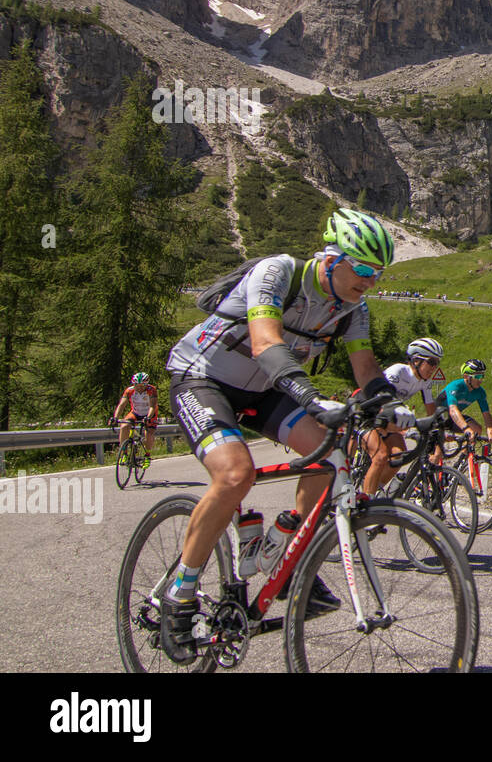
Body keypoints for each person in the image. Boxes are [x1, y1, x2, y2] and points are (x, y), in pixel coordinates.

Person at [159, 208, 413, 663]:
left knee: (330, 453)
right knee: (236, 474)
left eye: (379, 273)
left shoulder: (353, 309)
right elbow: (264, 343)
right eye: (364, 269)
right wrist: (313, 399)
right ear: (332, 259)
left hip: (262, 390)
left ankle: (284, 549)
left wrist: (393, 408)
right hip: (204, 378)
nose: (371, 281)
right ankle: (180, 592)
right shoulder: (277, 272)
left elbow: (366, 368)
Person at [356, 337, 446, 495]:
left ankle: (375, 491)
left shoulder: (425, 382)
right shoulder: (398, 371)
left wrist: (440, 431)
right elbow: (383, 404)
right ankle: (365, 503)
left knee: (399, 456)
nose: (434, 367)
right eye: (431, 362)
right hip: (368, 415)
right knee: (381, 456)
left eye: (437, 363)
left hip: (388, 421)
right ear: (416, 360)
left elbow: (431, 411)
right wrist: (406, 430)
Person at [437, 359, 492, 444]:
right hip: (438, 418)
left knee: (477, 429)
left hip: (453, 418)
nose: (480, 380)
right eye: (477, 377)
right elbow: (453, 409)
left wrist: (490, 433)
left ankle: (466, 455)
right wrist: (466, 429)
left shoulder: (480, 392)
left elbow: (486, 414)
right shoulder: (455, 386)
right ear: (466, 376)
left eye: (482, 376)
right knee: (437, 455)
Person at [113, 372, 159, 469]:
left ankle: (147, 456)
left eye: (142, 386)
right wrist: (115, 417)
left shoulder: (151, 390)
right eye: (136, 385)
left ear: (146, 384)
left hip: (149, 413)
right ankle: (124, 454)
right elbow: (121, 405)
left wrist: (148, 417)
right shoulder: (129, 391)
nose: (139, 388)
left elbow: (152, 406)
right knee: (124, 426)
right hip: (135, 412)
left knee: (148, 433)